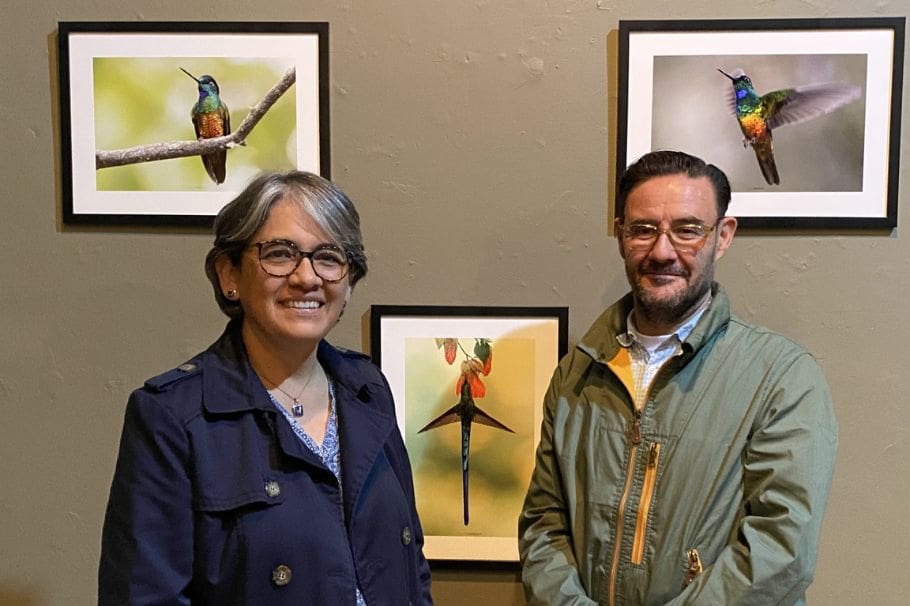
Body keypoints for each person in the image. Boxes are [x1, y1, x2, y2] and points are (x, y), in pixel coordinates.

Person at [518, 150, 837, 605]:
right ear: (620, 235)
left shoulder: (782, 377)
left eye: (688, 230)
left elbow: (781, 551)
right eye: (643, 229)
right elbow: (544, 523)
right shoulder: (577, 372)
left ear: (722, 236)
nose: (662, 251)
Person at [99, 171, 433, 605]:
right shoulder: (173, 418)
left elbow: (412, 571)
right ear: (228, 274)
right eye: (280, 254)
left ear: (349, 281)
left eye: (328, 257)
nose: (306, 277)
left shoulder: (368, 389)